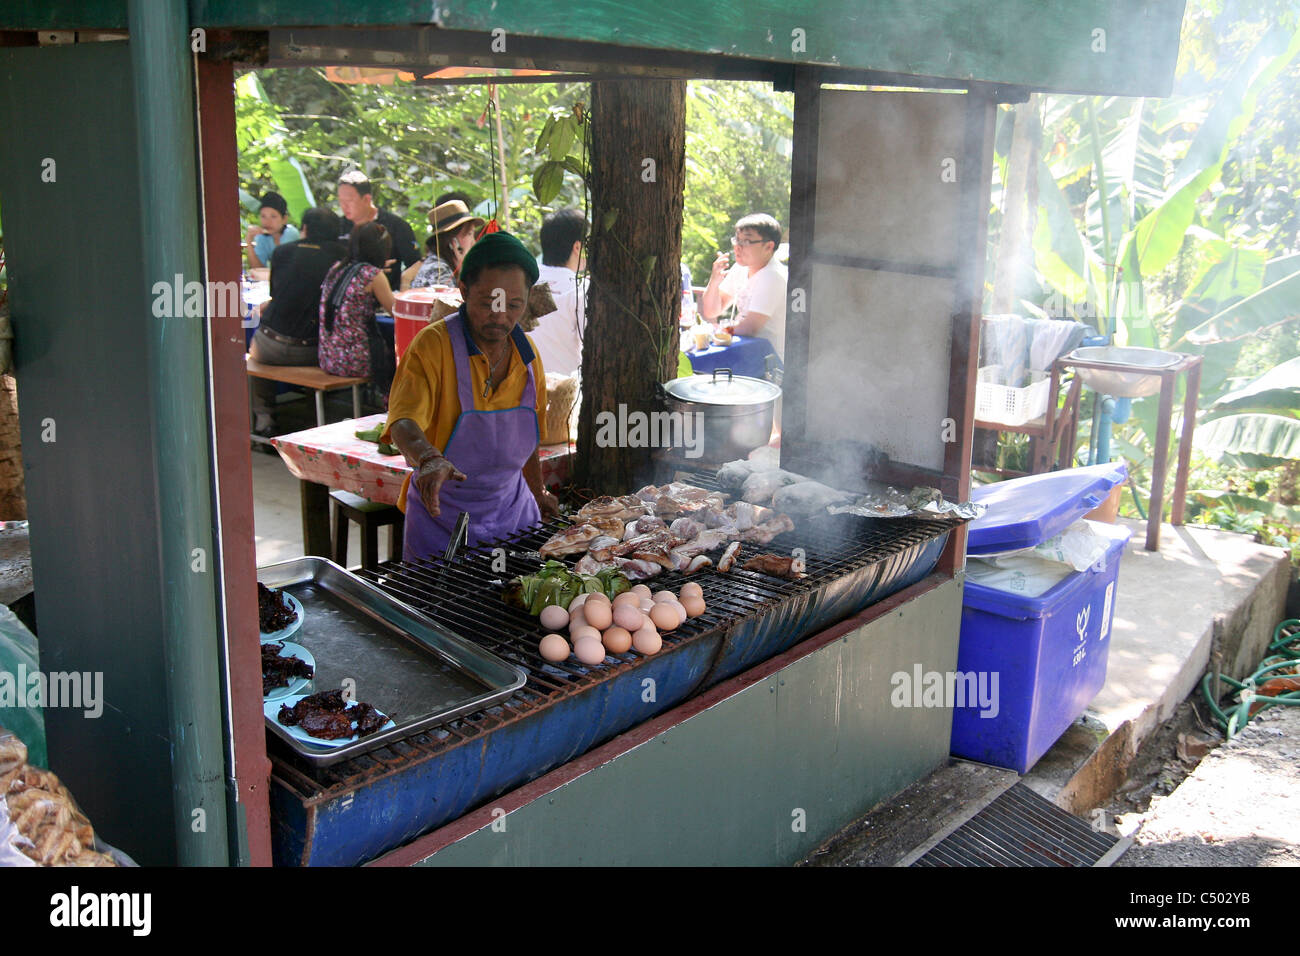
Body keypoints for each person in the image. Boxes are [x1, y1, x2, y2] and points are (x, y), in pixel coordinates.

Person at [382, 231, 560, 561]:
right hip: (443, 523)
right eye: (487, 302)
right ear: (463, 290)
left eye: (513, 305)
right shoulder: (432, 346)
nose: (500, 315)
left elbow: (530, 437)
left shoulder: (527, 355)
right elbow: (403, 421)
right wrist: (428, 458)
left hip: (514, 518)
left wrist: (537, 492)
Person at [249, 206, 345, 437]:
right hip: (310, 350)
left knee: (256, 355)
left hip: (268, 346)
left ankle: (264, 419)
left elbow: (276, 295)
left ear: (304, 229)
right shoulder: (342, 255)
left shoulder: (282, 252)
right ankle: (323, 420)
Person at [318, 221, 398, 399]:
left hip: (328, 357)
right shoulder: (373, 275)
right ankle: (389, 403)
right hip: (355, 361)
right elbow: (397, 312)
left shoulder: (337, 268)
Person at [700, 213, 788, 360]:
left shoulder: (772, 275)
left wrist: (718, 331)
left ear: (768, 246)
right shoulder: (740, 268)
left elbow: (750, 328)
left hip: (767, 361)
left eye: (746, 241)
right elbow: (711, 311)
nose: (737, 247)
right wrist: (714, 281)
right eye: (737, 240)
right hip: (742, 351)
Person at [336, 170, 420, 293]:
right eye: (340, 201)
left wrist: (404, 288)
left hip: (388, 297)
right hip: (348, 300)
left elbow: (415, 263)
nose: (344, 206)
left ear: (366, 199)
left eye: (349, 201)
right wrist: (369, 269)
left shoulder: (396, 226)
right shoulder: (339, 226)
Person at [528, 208, 588, 377]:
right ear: (577, 247)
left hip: (525, 389)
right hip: (566, 394)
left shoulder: (525, 282)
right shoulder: (581, 290)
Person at [402, 199, 485, 290]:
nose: (474, 242)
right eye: (469, 234)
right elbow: (461, 303)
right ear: (452, 241)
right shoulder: (438, 270)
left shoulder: (443, 265)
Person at [245, 192, 300, 270]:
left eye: (273, 216)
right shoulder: (262, 238)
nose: (267, 222)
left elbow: (284, 268)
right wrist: (249, 242)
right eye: (263, 216)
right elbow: (257, 269)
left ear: (284, 219)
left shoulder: (291, 233)